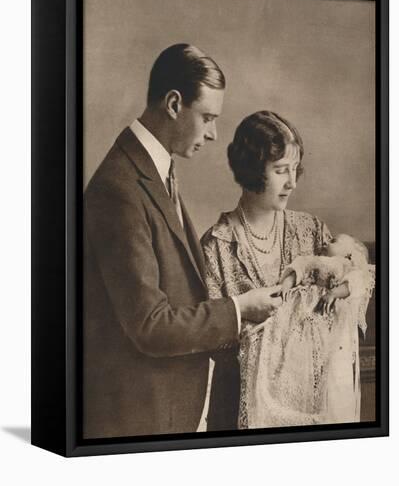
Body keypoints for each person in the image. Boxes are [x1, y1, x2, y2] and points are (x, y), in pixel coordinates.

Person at [83, 45, 281, 439]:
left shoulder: (154, 171)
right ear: (174, 103)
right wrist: (238, 311)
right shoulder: (118, 187)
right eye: (207, 117)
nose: (213, 133)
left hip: (168, 410)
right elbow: (150, 325)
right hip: (137, 420)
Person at [201, 110, 375, 430]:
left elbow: (355, 278)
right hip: (240, 411)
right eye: (281, 170)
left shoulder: (312, 231)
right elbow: (209, 334)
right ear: (253, 169)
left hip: (313, 407)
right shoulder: (218, 246)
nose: (292, 183)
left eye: (295, 169)